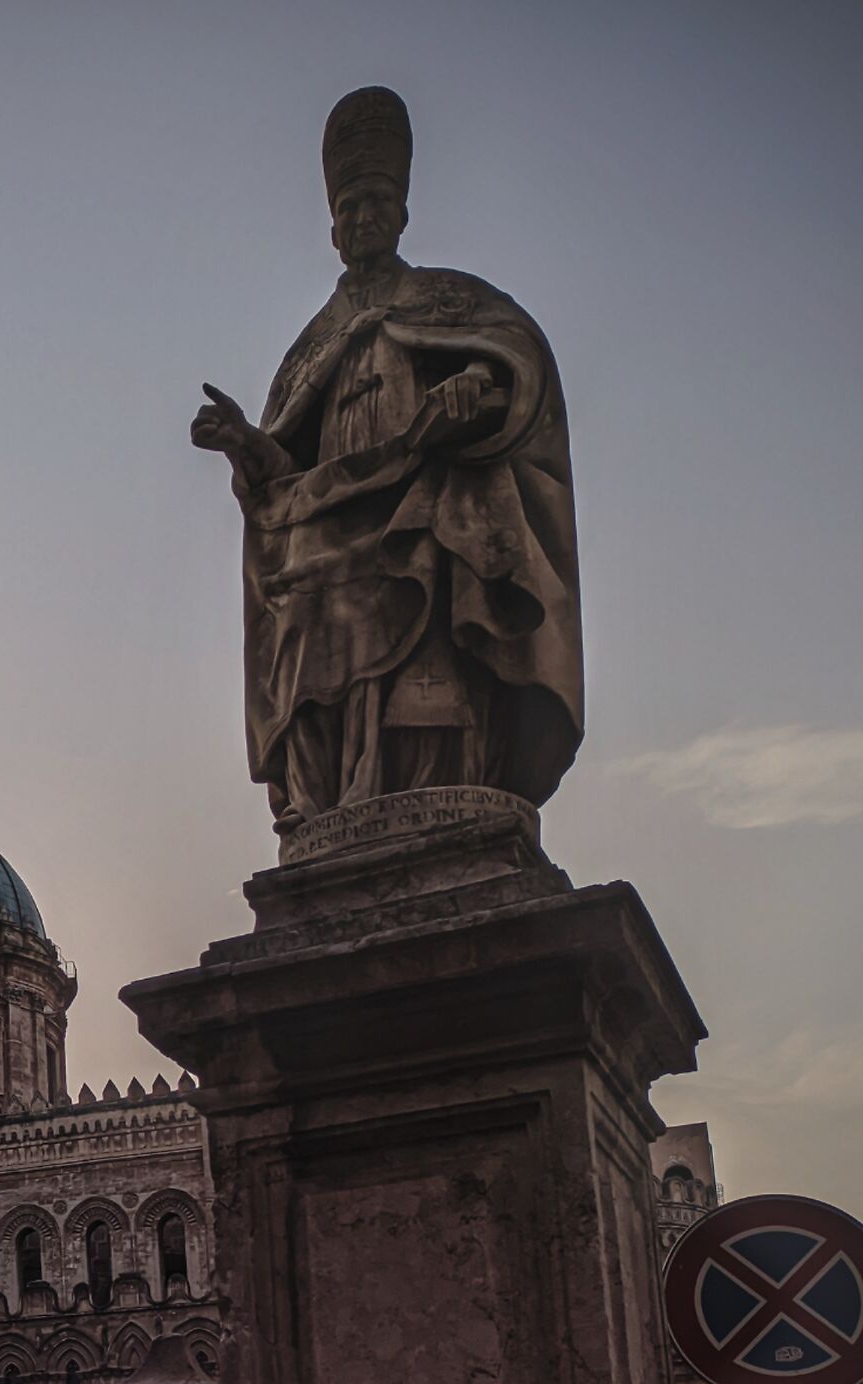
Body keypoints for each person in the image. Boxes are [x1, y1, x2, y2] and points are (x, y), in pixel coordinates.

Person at [192, 87, 583, 831]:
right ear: (333, 231)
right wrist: (243, 440)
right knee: (303, 600)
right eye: (350, 208)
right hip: (331, 521)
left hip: (420, 502)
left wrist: (474, 387)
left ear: (401, 214)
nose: (364, 217)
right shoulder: (314, 344)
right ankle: (330, 799)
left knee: (434, 553)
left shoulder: (452, 303)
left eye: (376, 202)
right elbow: (283, 474)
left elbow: (517, 374)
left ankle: (439, 783)